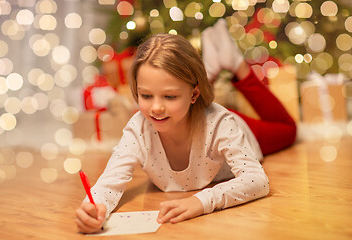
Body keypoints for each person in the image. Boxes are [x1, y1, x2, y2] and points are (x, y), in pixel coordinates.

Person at [75, 19, 296, 234]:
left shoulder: (221, 124)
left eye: (169, 96)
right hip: (190, 112)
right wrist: (94, 208)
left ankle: (235, 63)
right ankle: (207, 70)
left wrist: (201, 201)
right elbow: (108, 183)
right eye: (146, 95)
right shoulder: (138, 128)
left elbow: (257, 180)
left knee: (288, 130)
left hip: (235, 125)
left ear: (194, 94)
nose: (156, 108)